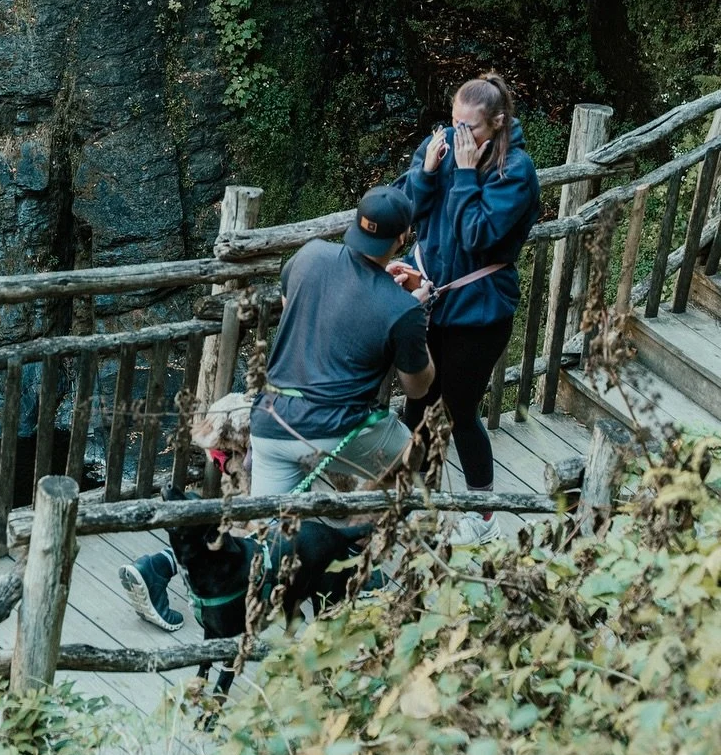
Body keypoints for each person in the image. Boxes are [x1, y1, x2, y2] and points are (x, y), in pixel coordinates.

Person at [119, 400, 373, 695]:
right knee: (240, 538)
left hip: (284, 508)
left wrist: (233, 462)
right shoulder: (263, 428)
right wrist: (233, 463)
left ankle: (158, 566)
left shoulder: (255, 426)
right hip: (277, 476)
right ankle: (160, 566)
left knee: (239, 540)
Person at [394, 72, 541, 528]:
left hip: (479, 312)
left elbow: (477, 235)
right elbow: (405, 209)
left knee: (460, 410)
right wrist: (427, 172)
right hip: (429, 300)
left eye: (469, 127)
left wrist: (461, 173)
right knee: (418, 403)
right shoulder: (440, 145)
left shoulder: (515, 171)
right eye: (454, 122)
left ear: (497, 122)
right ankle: (409, 500)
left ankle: (483, 515)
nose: (458, 134)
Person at [248, 185, 434, 496]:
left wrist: (373, 283)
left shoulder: (309, 255)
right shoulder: (403, 309)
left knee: (267, 522)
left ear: (356, 223)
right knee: (410, 455)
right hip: (333, 432)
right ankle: (362, 522)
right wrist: (418, 314)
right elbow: (417, 388)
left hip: (270, 421)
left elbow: (290, 304)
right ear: (403, 236)